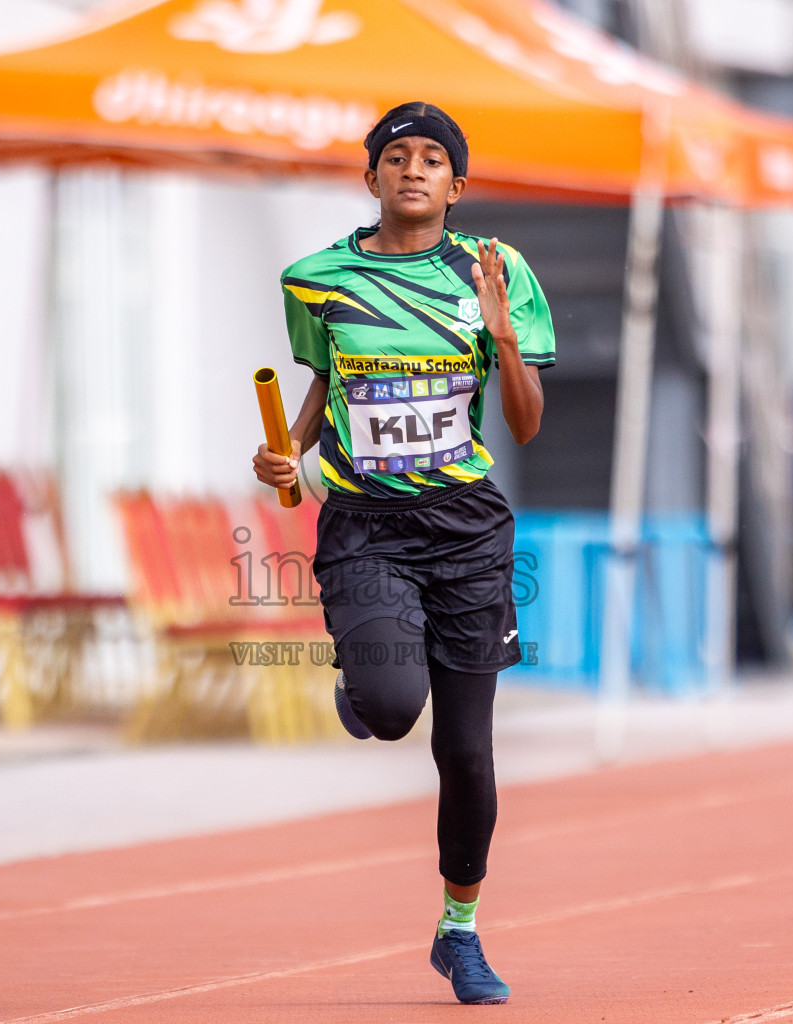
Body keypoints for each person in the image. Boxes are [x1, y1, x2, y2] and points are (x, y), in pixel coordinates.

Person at [252, 101, 554, 1005]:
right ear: (372, 176)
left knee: (465, 752)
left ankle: (458, 931)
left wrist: (502, 336)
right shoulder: (315, 278)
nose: (413, 169)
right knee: (390, 709)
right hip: (366, 524)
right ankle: (367, 681)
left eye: (433, 159)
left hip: (465, 527)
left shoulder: (497, 272)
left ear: (457, 185)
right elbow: (322, 382)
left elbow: (529, 427)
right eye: (397, 156)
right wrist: (291, 449)